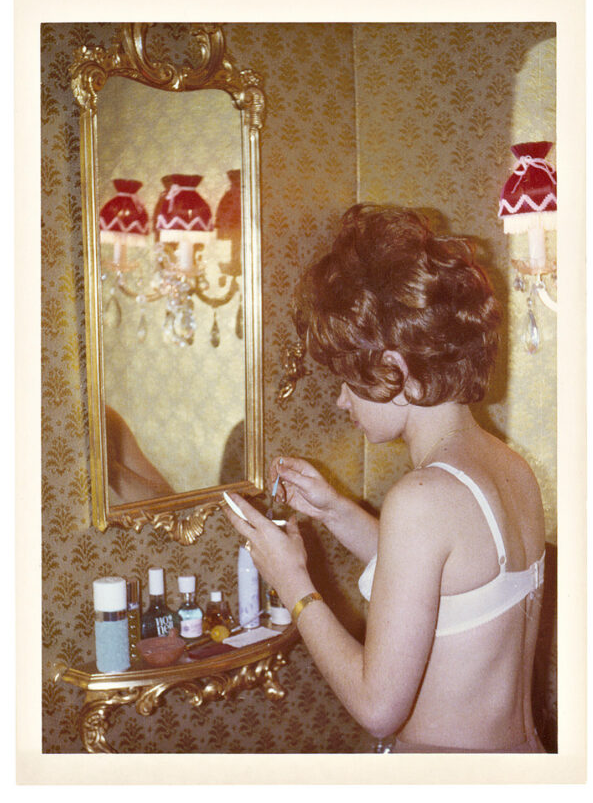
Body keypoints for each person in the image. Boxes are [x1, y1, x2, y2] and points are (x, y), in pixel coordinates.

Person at [224, 204, 546, 753]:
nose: (340, 399)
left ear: (393, 369)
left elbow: (377, 708)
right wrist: (336, 511)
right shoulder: (508, 467)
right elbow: (443, 581)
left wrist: (293, 584)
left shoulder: (421, 498)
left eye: (348, 379)